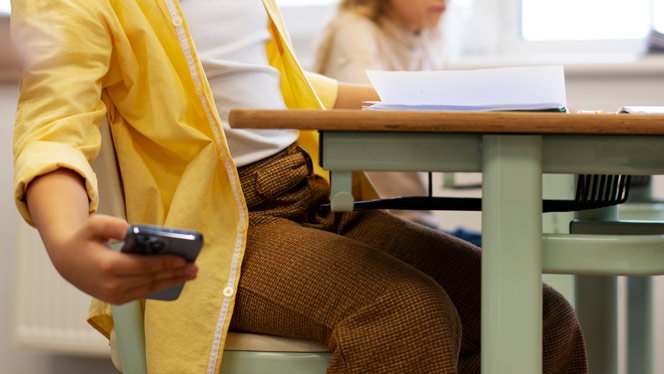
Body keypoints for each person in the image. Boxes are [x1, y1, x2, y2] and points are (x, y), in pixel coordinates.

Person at [11, 0, 586, 372]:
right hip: (224, 227)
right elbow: (53, 125)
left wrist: (487, 100)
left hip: (309, 196)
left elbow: (273, 86)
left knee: (540, 316)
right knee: (408, 315)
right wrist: (66, 240)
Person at [314, 0, 486, 246]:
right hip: (378, 223)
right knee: (510, 255)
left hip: (414, 218)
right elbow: (370, 104)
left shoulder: (421, 36)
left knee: (513, 247)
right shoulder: (355, 30)